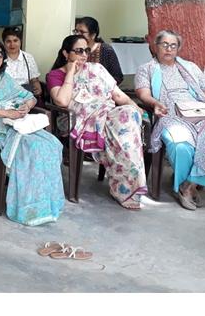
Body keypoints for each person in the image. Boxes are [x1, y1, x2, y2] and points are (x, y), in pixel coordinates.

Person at [134, 30, 205, 210]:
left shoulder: (190, 67)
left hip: (198, 110)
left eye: (173, 45)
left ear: (178, 48)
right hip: (170, 113)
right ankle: (187, 186)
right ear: (156, 46)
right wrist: (155, 103)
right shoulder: (146, 69)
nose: (169, 49)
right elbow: (143, 93)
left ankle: (188, 184)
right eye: (164, 45)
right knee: (181, 144)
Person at [0, 38, 64, 226]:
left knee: (50, 144)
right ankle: (27, 207)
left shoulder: (5, 79)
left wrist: (26, 106)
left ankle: (44, 203)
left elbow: (31, 97)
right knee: (32, 148)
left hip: (14, 124)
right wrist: (6, 113)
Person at [47, 34, 148, 210]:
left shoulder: (97, 69)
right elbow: (62, 101)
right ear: (65, 53)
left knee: (129, 118)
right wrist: (71, 72)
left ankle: (128, 186)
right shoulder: (55, 75)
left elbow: (117, 94)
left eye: (86, 50)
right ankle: (123, 189)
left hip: (107, 113)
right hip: (77, 120)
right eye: (78, 51)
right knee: (122, 135)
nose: (84, 55)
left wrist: (134, 106)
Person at [74, 16, 123, 85]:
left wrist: (100, 88)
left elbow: (118, 77)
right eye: (76, 31)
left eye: (82, 32)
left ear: (93, 35)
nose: (77, 34)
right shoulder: (70, 48)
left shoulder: (106, 50)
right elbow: (58, 71)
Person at [2, 26, 42, 99]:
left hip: (26, 96)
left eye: (15, 40)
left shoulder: (28, 58)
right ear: (4, 43)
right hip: (5, 97)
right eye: (8, 41)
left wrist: (38, 89)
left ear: (20, 41)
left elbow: (34, 80)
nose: (12, 44)